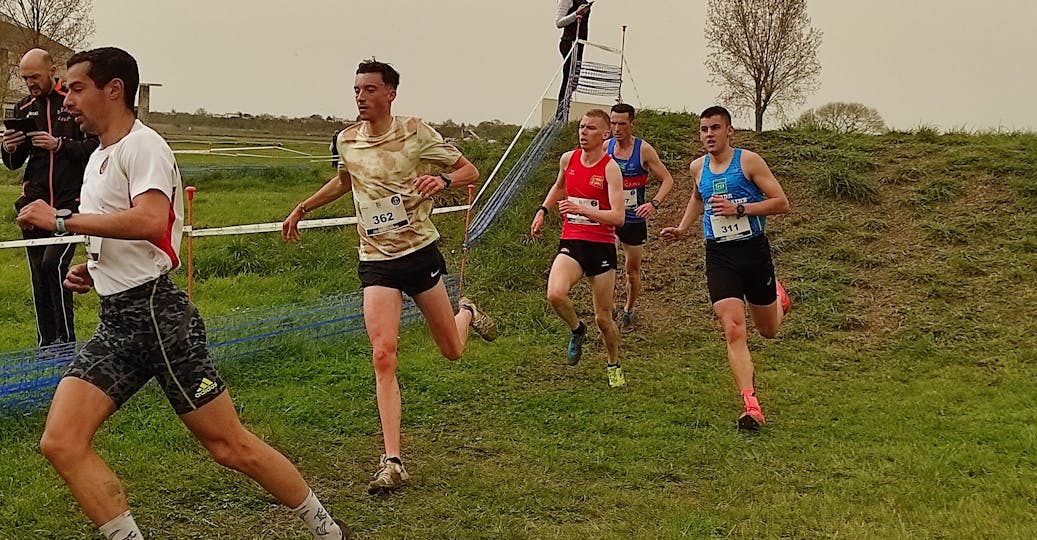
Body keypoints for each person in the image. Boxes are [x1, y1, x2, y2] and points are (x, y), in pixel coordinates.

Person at [16, 47, 352, 540]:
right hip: (117, 321)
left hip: (158, 317)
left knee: (228, 446)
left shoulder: (143, 146)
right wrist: (98, 264)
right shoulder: (100, 156)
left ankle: (325, 529)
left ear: (115, 89)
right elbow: (137, 229)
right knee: (62, 442)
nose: (67, 100)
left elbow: (152, 219)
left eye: (78, 88)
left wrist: (62, 219)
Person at [281, 59, 498, 494]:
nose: (360, 96)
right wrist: (303, 207)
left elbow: (469, 171)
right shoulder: (346, 140)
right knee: (383, 352)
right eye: (357, 89)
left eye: (370, 89)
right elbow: (345, 182)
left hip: (419, 254)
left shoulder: (415, 132)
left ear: (391, 94)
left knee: (452, 351)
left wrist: (442, 180)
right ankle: (393, 460)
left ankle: (467, 312)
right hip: (376, 259)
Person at [660, 106, 792, 431]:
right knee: (733, 327)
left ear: (729, 130)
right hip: (719, 255)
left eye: (715, 128)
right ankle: (750, 404)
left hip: (753, 251)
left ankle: (778, 299)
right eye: (704, 129)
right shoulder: (697, 167)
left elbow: (781, 202)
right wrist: (681, 228)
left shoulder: (748, 161)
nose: (709, 135)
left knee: (769, 330)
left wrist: (740, 208)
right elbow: (698, 197)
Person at [2, 48, 98, 347]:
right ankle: (46, 344)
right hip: (33, 203)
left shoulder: (72, 101)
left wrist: (59, 145)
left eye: (35, 76)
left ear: (51, 70)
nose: (30, 83)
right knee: (38, 275)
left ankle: (66, 342)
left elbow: (95, 147)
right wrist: (10, 148)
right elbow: (14, 163)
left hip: (71, 203)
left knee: (53, 267)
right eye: (25, 78)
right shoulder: (23, 108)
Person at [530, 109, 626, 387]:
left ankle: (613, 364)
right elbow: (559, 187)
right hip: (572, 240)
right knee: (555, 294)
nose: (584, 132)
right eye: (582, 127)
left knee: (604, 318)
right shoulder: (568, 159)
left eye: (591, 128)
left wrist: (581, 208)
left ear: (605, 134)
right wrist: (542, 211)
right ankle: (576, 329)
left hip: (601, 246)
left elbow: (618, 217)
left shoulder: (610, 168)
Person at [606, 103, 675, 332]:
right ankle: (611, 306)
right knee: (606, 264)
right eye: (613, 123)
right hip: (610, 217)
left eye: (622, 124)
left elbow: (667, 180)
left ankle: (629, 309)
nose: (617, 128)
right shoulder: (605, 148)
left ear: (632, 124)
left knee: (631, 271)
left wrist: (653, 203)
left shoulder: (643, 150)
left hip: (634, 219)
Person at [554, 0, 592, 120]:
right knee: (568, 79)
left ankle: (564, 110)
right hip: (569, 42)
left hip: (579, 43)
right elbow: (559, 23)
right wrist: (576, 13)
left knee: (573, 80)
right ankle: (560, 116)